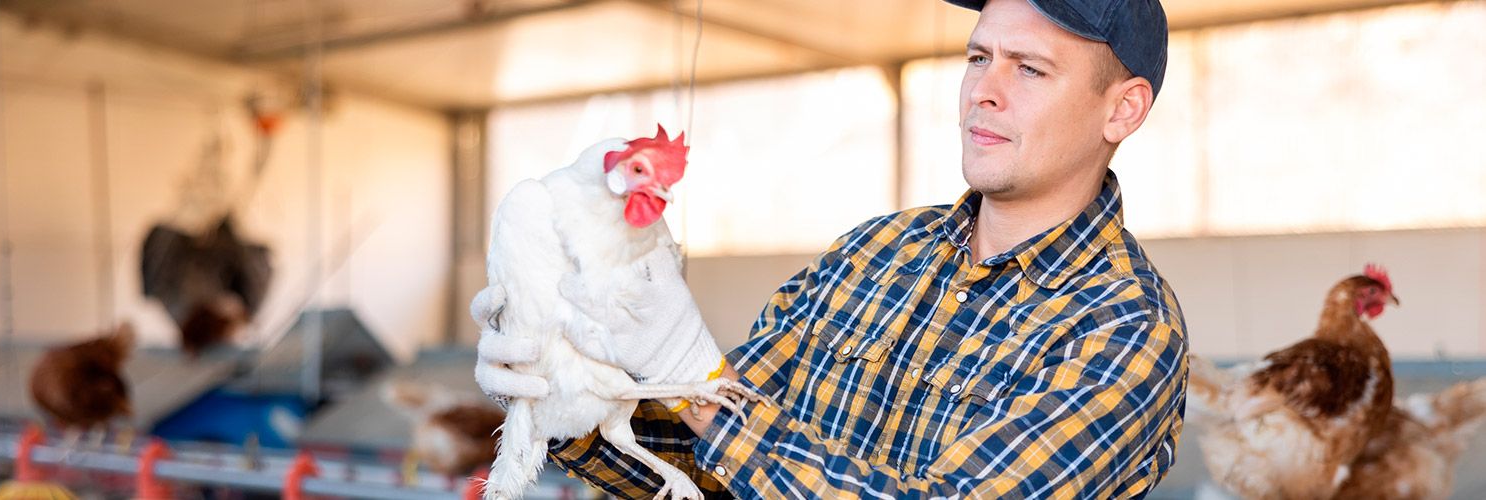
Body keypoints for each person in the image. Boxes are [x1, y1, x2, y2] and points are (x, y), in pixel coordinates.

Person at [472, 0, 1188, 497]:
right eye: (978, 57)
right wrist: (569, 401)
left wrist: (697, 380)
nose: (982, 93)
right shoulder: (873, 252)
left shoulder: (1124, 327)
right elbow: (709, 469)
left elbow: (728, 427)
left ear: (1121, 109)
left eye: (1029, 69)